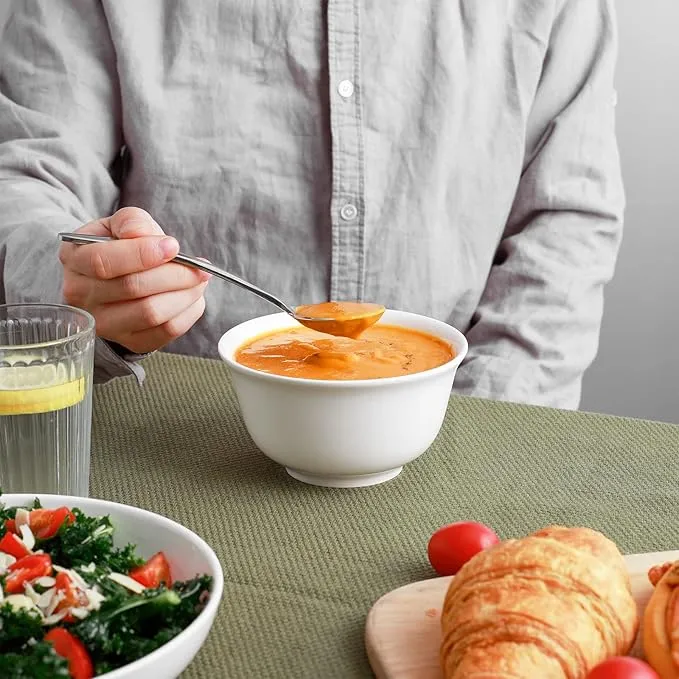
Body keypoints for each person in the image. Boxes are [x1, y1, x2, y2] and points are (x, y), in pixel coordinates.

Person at [0, 0, 624, 409]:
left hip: (461, 414)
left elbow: (565, 219)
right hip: (173, 424)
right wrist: (78, 275)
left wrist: (489, 416)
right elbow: (28, 173)